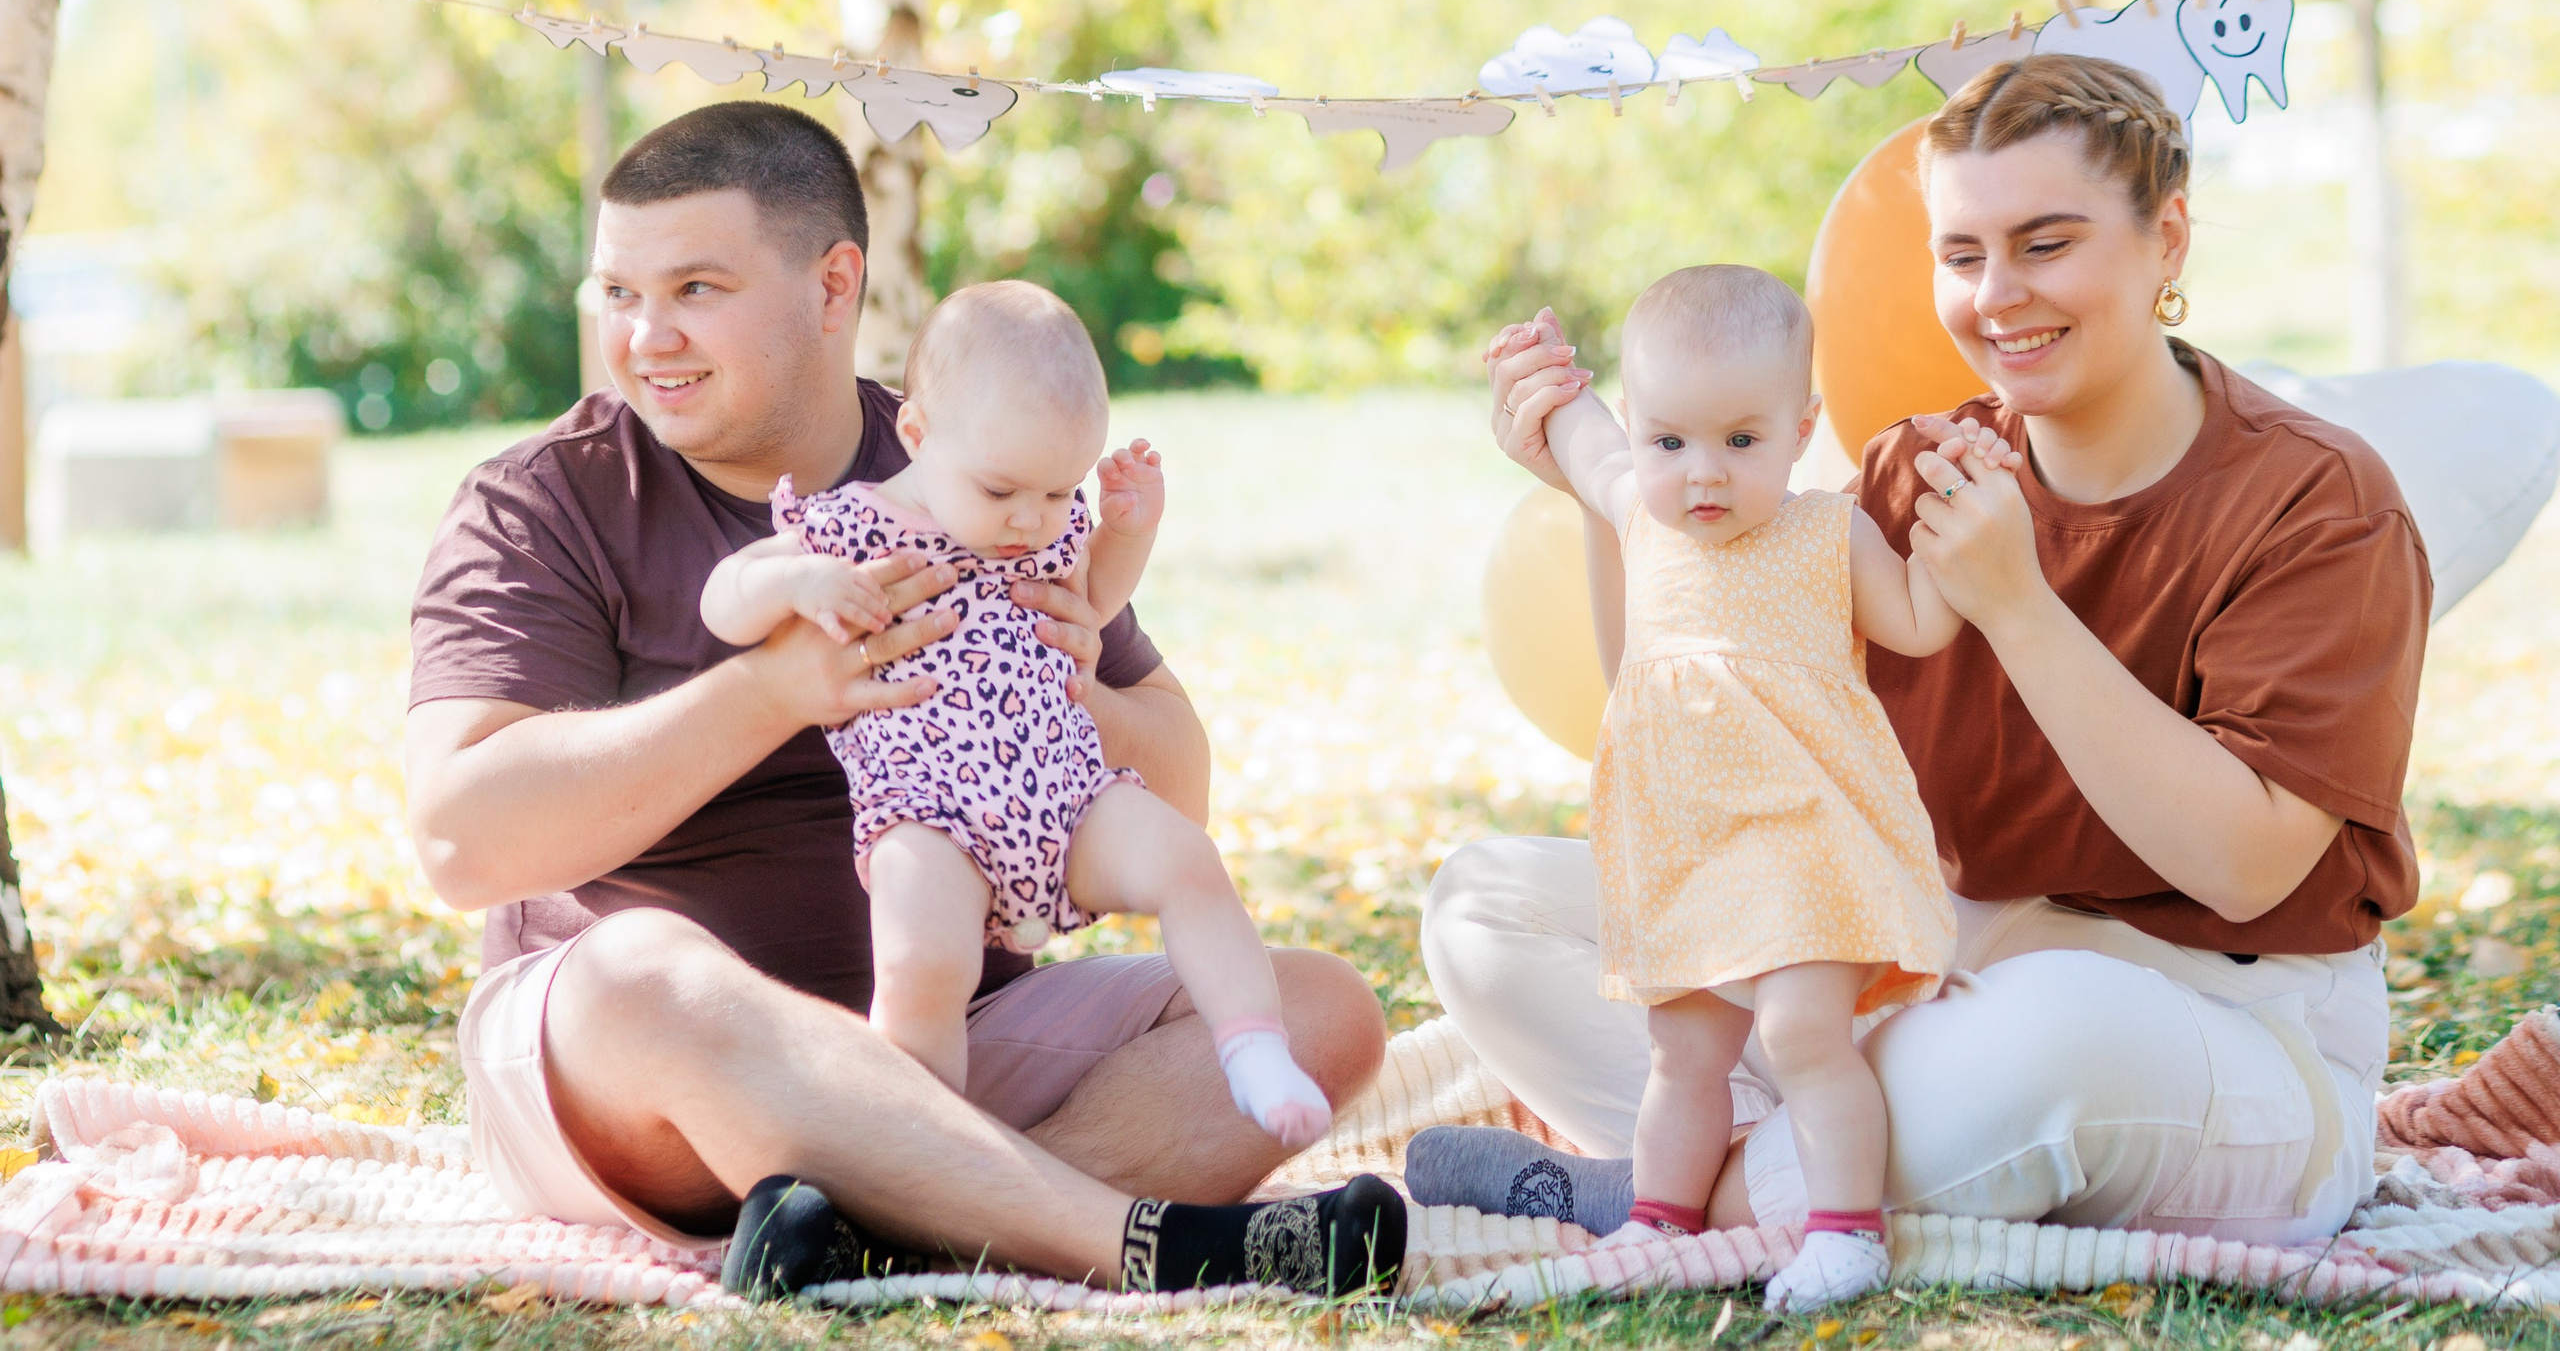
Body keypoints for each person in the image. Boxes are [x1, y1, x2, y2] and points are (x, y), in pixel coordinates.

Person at [1410, 54, 2426, 1250]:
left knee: (2045, 1040)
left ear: (2167, 241)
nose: (1998, 294)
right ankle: (1800, 1151)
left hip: (2211, 1019)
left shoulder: (2317, 499)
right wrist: (1606, 501)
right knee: (1491, 907)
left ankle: (1660, 1195)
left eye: (2045, 244)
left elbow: (2246, 868)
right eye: (1962, 254)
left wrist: (2018, 607)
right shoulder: (1911, 468)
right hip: (1926, 955)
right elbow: (1679, 682)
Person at [405, 101, 1399, 1299]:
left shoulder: (980, 457)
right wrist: (778, 689)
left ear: (834, 287)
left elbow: (1176, 794)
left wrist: (1080, 682)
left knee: (1322, 1008)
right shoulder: (542, 503)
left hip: (945, 1043)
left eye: (696, 290)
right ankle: (1127, 1241)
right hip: (650, 1068)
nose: (645, 338)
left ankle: (876, 1237)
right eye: (618, 294)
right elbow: (463, 839)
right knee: (642, 973)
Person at [701, 280, 1331, 1144]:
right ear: (919, 435)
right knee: (924, 964)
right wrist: (796, 580)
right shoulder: (852, 526)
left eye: (1059, 491)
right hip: (929, 814)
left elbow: (1093, 602)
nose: (1031, 520)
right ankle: (925, 1146)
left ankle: (1253, 1046)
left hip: (1069, 796)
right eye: (1001, 492)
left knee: (1187, 860)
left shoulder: (1044, 527)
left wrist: (1125, 531)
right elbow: (723, 601)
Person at [1514, 264, 1966, 1309]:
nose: (1702, 474)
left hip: (1801, 834)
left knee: (1801, 1033)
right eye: (1669, 442)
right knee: (1681, 1050)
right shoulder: (1639, 510)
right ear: (1638, 429)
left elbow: (1918, 621)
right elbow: (1577, 434)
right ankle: (1655, 1222)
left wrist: (1952, 521)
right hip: (1684, 845)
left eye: (1740, 441)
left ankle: (1845, 1231)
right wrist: (1538, 368)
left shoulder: (1822, 530)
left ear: (1801, 428)